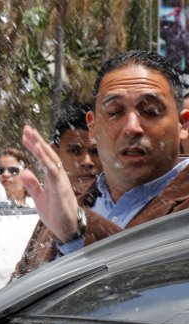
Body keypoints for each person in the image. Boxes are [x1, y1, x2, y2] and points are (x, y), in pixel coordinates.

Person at [12, 50, 189, 280]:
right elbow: (16, 292)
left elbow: (148, 295)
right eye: (115, 112)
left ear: (182, 124)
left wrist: (78, 234)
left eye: (150, 111)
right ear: (93, 128)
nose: (132, 127)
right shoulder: (67, 201)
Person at [51, 102, 103, 193]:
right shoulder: (34, 204)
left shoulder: (130, 205)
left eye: (95, 151)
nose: (87, 162)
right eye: (75, 151)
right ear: (54, 154)